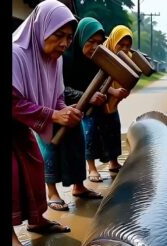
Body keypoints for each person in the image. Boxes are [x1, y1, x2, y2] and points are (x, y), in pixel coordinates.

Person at [11, 1, 79, 246]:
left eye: (69, 38)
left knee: (34, 165)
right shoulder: (16, 53)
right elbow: (14, 102)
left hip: (20, 127)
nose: (64, 43)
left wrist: (67, 111)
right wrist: (52, 115)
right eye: (59, 35)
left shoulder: (54, 59)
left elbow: (56, 97)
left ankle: (37, 220)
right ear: (42, 28)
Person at [36, 17, 107, 212]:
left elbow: (96, 84)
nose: (94, 47)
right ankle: (52, 193)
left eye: (99, 43)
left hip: (75, 109)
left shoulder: (95, 61)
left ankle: (79, 186)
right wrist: (86, 96)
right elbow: (59, 87)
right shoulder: (62, 58)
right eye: (90, 41)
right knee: (49, 147)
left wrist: (97, 94)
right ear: (80, 39)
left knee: (77, 144)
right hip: (49, 108)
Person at [87, 25, 133, 174]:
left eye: (128, 45)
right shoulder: (101, 54)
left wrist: (124, 92)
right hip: (95, 99)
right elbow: (95, 81)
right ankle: (92, 168)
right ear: (113, 41)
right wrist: (113, 91)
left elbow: (128, 79)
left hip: (112, 102)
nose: (125, 48)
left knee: (113, 129)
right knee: (91, 133)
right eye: (121, 44)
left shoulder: (128, 58)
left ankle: (113, 162)